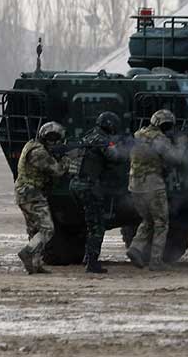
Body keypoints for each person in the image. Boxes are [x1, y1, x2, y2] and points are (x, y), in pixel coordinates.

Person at [126, 109, 186, 272]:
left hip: (134, 184)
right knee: (161, 222)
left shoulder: (138, 135)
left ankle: (136, 248)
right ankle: (156, 261)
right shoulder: (159, 139)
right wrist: (182, 142)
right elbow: (177, 159)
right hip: (152, 185)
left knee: (148, 220)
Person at [14, 121, 68, 275]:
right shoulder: (39, 152)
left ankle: (35, 264)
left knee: (34, 229)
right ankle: (27, 252)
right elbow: (57, 171)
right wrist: (66, 159)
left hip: (25, 193)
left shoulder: (31, 145)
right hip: (32, 193)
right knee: (47, 229)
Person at [71, 111, 121, 274]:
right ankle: (92, 263)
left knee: (90, 221)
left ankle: (88, 257)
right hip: (88, 186)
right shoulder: (101, 140)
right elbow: (115, 158)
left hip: (76, 184)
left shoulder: (88, 137)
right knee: (97, 225)